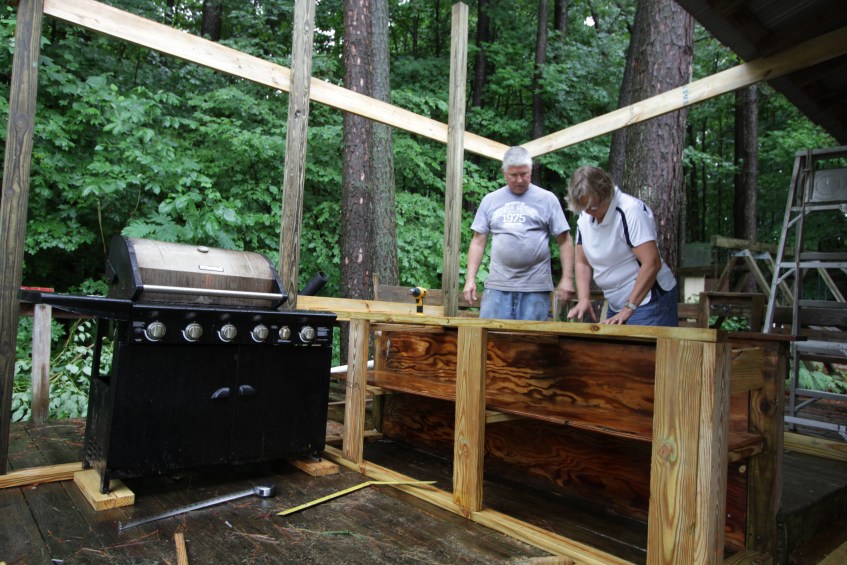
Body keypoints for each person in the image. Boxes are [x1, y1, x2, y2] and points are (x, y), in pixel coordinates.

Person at [463, 146, 574, 320]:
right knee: (491, 335)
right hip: (498, 286)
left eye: (524, 174)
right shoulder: (490, 200)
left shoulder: (547, 199)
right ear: (504, 173)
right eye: (514, 175)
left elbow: (565, 241)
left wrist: (567, 278)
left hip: (535, 287)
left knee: (530, 336)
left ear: (531, 170)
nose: (520, 180)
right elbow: (478, 241)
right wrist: (470, 279)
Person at [565, 166, 678, 326]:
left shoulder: (630, 211)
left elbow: (651, 263)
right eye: (583, 207)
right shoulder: (585, 217)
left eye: (593, 206)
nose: (589, 211)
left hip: (648, 301)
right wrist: (583, 298)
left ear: (606, 193)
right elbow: (582, 262)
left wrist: (628, 308)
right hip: (617, 303)